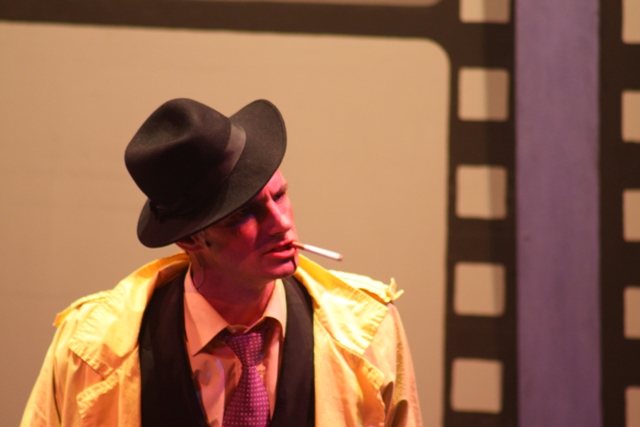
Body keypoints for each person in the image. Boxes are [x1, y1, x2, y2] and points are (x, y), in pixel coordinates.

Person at [20, 98, 423, 427]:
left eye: (279, 195)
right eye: (245, 214)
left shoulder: (369, 331)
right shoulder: (87, 348)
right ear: (190, 239)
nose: (281, 223)